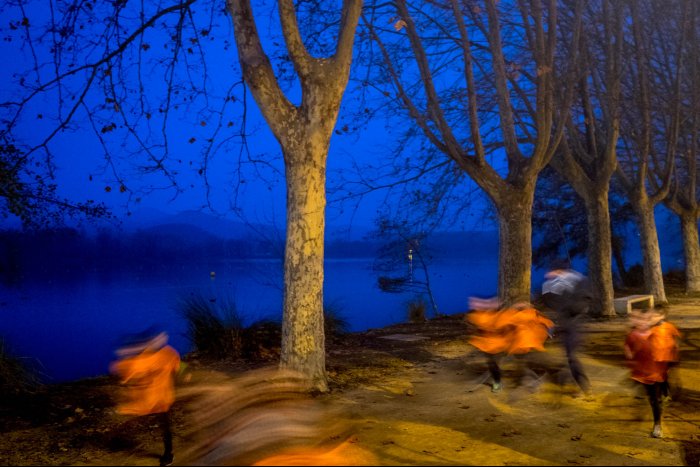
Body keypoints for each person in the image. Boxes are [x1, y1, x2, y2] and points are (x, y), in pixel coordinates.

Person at [110, 329, 187, 466]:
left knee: (164, 426)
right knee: (163, 425)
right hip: (156, 398)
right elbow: (128, 368)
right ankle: (167, 454)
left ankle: (168, 454)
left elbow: (126, 369)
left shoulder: (164, 355)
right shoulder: (159, 355)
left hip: (160, 399)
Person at [466, 297, 554, 394]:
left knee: (522, 365)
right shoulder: (505, 315)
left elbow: (547, 323)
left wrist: (546, 335)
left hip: (520, 345)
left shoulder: (527, 314)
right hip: (505, 345)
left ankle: (533, 380)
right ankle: (502, 382)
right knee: (499, 364)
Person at [624, 306, 681, 438]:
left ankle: (657, 425)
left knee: (655, 400)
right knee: (652, 397)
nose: (644, 322)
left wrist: (673, 359)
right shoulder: (633, 335)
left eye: (647, 319)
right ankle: (660, 397)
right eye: (639, 319)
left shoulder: (659, 330)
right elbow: (629, 349)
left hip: (657, 371)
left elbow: (671, 344)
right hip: (643, 373)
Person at [541, 258, 593, 395]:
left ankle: (583, 386)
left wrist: (573, 306)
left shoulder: (578, 281)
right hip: (564, 324)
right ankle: (578, 381)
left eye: (554, 271)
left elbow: (584, 300)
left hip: (574, 325)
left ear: (560, 270)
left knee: (571, 356)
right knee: (569, 356)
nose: (550, 273)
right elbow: (550, 302)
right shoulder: (552, 285)